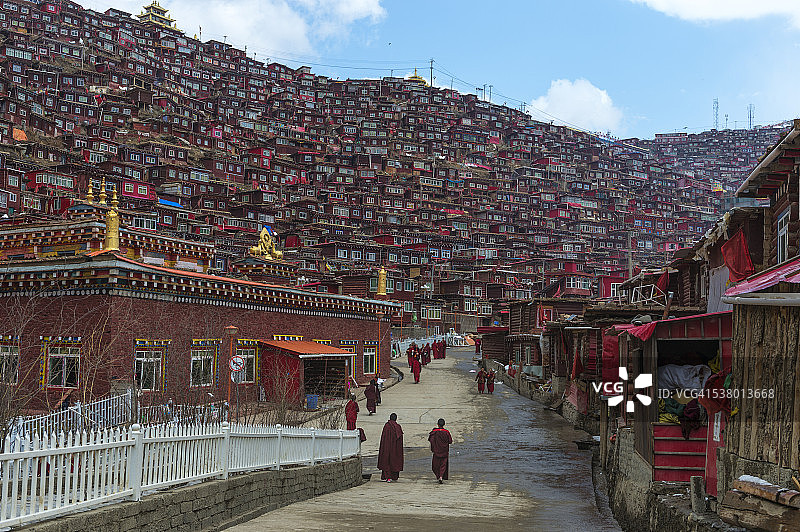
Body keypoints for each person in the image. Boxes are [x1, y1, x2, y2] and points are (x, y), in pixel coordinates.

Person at [377, 413, 404, 482]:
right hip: (395, 449)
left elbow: (383, 438)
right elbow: (400, 440)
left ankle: (388, 477)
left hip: (387, 447)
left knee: (387, 461)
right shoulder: (398, 427)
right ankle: (394, 477)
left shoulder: (387, 426)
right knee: (394, 461)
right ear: (396, 419)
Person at [428, 418, 453, 483]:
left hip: (436, 451)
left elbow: (430, 440)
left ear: (437, 424)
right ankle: (441, 476)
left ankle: (439, 476)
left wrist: (434, 446)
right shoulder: (446, 432)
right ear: (444, 424)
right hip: (444, 451)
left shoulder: (434, 432)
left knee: (435, 465)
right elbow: (450, 441)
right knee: (443, 465)